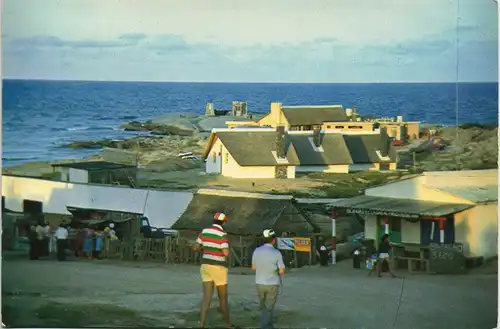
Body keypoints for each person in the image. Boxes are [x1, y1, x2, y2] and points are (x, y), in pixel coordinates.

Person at [193, 212, 232, 328]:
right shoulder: (222, 234)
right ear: (224, 222)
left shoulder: (204, 231)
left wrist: (204, 250)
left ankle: (202, 324)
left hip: (205, 266)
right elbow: (225, 252)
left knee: (206, 298)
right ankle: (227, 324)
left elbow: (195, 247)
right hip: (219, 267)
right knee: (223, 298)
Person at [251, 229, 286, 329]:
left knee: (263, 306)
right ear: (273, 240)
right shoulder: (276, 252)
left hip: (259, 282)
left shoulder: (256, 251)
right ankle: (264, 326)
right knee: (269, 307)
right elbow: (282, 271)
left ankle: (268, 324)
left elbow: (254, 267)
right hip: (272, 283)